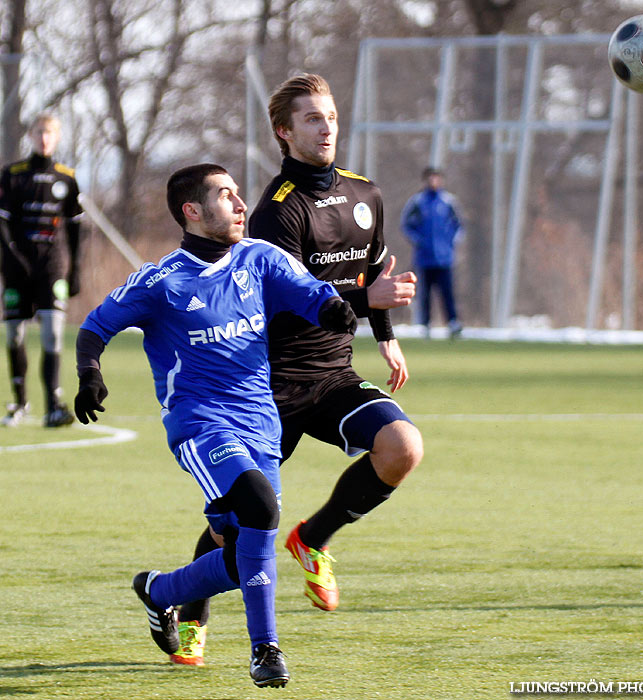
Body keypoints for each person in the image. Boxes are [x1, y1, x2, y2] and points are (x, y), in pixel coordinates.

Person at [169, 74, 424, 667]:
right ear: (285, 133)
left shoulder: (368, 194)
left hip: (333, 375)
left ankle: (313, 538)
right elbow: (286, 301)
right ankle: (192, 607)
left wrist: (385, 335)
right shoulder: (274, 215)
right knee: (234, 526)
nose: (326, 126)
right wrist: (369, 305)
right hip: (269, 383)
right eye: (311, 118)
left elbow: (373, 271)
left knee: (403, 447)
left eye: (330, 115)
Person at [73, 163, 357, 688]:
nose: (241, 204)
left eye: (238, 194)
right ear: (193, 212)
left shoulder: (260, 259)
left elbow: (311, 294)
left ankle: (159, 592)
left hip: (261, 425)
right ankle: (265, 650)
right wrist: (89, 374)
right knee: (260, 508)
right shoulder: (162, 281)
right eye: (227, 195)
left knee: (245, 552)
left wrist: (335, 310)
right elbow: (95, 326)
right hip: (201, 425)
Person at [0, 113, 84, 427]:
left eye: (49, 133)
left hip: (52, 266)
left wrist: (75, 270)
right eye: (39, 133)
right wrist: (12, 257)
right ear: (31, 135)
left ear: (57, 137)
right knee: (15, 334)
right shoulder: (12, 174)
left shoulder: (67, 177)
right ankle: (20, 403)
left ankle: (53, 405)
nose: (44, 139)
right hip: (17, 268)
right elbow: (3, 223)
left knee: (53, 334)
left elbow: (76, 229)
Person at [400, 166, 464, 338]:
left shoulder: (448, 201)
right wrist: (418, 241)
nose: (433, 181)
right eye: (430, 178)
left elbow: (459, 225)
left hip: (444, 258)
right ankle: (426, 324)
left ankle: (452, 322)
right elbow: (406, 225)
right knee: (425, 293)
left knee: (447, 292)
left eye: (436, 178)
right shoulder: (418, 202)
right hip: (425, 257)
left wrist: (451, 243)